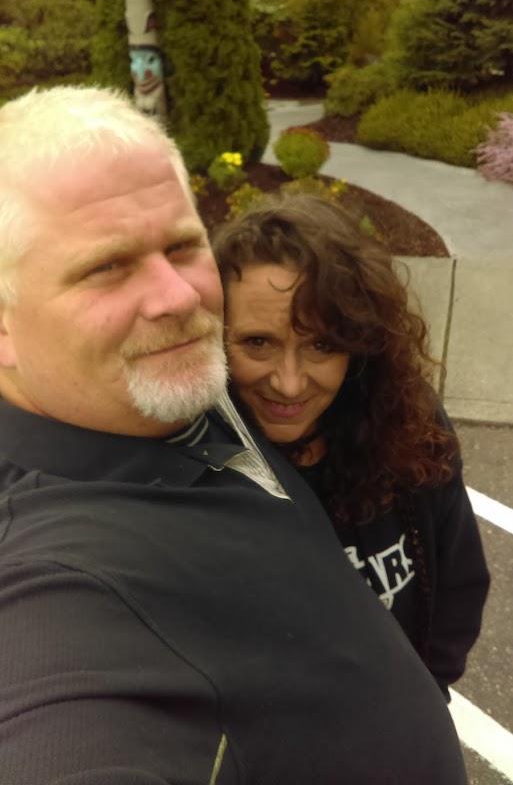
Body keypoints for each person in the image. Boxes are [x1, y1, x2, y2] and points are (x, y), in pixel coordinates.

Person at [0, 86, 469, 785]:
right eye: (106, 267)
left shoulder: (182, 388)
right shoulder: (55, 577)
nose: (178, 297)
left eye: (182, 246)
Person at [213, 192, 490, 702]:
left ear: (361, 345)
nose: (290, 384)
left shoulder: (408, 427)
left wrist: (426, 696)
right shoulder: (193, 467)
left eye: (322, 345)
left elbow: (459, 579)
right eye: (258, 342)